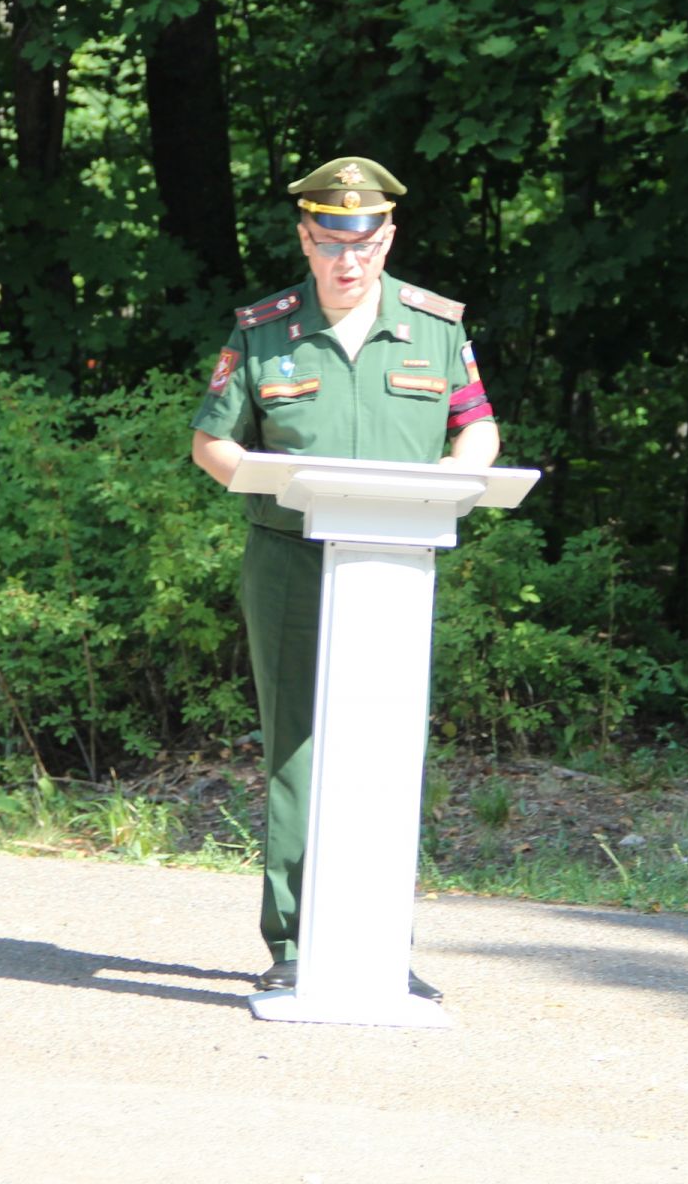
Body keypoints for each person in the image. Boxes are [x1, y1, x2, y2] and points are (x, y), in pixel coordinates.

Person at [190, 156, 499, 999]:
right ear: (306, 238)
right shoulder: (264, 332)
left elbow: (478, 431)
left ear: (388, 238)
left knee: (388, 747)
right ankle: (293, 942)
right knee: (296, 746)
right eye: (330, 243)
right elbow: (212, 442)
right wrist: (267, 478)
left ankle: (373, 941)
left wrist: (458, 481)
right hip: (289, 559)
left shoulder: (436, 331)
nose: (348, 261)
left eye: (363, 244)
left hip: (395, 566)